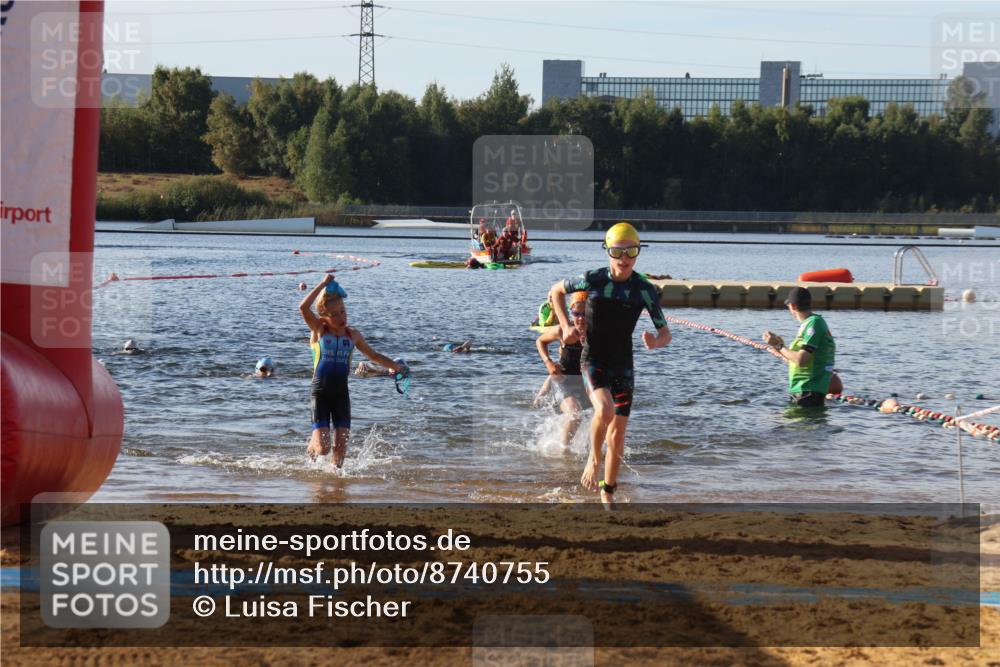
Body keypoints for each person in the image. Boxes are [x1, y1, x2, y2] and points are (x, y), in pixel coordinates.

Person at [548, 222, 672, 505]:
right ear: (608, 252)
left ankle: (608, 493)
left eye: (631, 251)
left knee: (618, 434)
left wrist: (655, 342)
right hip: (593, 358)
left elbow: (665, 332)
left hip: (624, 363)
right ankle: (593, 458)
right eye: (618, 251)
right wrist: (566, 325)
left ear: (638, 253)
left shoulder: (644, 289)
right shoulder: (592, 280)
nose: (625, 258)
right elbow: (556, 291)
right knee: (603, 409)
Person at [299, 274, 407, 468]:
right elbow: (303, 308)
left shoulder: (353, 335)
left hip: (341, 395)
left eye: (343, 311)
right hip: (320, 394)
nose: (341, 317)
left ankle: (336, 488)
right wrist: (323, 284)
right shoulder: (319, 330)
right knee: (324, 449)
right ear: (324, 316)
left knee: (339, 455)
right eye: (335, 314)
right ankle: (313, 446)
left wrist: (396, 367)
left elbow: (374, 356)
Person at [763, 286, 837, 408]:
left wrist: (778, 345)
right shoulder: (809, 323)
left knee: (792, 425)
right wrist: (779, 346)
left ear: (792, 306)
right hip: (804, 390)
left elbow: (801, 360)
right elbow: (793, 359)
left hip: (808, 391)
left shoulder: (814, 323)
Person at [534, 291, 589, 449]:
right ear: (571, 313)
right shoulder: (562, 331)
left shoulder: (596, 333)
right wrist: (548, 362)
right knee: (574, 414)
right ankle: (564, 454)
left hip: (586, 383)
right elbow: (540, 341)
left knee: (602, 415)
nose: (581, 318)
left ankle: (589, 452)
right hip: (564, 382)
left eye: (585, 314)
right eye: (576, 313)